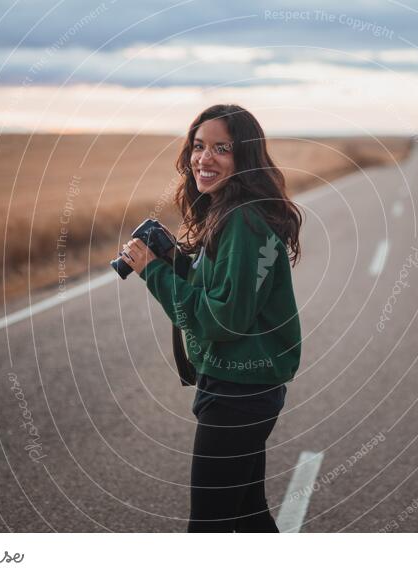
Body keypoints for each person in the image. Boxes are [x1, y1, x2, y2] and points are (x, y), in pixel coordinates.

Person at [119, 104, 303, 532]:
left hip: (238, 393)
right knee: (248, 514)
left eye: (222, 148)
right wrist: (177, 263)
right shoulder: (235, 213)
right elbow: (223, 294)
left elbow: (222, 321)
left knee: (209, 526)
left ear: (245, 157)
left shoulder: (242, 220)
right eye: (199, 146)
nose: (205, 158)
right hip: (247, 386)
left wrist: (155, 272)